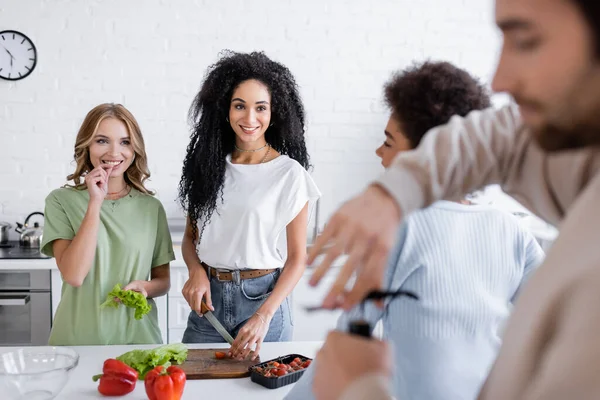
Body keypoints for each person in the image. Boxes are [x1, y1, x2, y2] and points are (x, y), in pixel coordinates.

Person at [308, 0, 600, 398]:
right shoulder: (558, 193)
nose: (499, 80)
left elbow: (348, 340)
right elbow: (499, 138)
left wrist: (360, 389)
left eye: (526, 41)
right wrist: (393, 192)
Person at [286, 61, 544, 400]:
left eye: (389, 142)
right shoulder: (513, 228)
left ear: (429, 156)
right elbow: (549, 325)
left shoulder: (398, 230)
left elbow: (347, 344)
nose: (379, 153)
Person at [178, 51, 320, 359]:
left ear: (275, 112)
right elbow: (191, 239)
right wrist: (195, 271)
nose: (250, 118)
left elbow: (298, 258)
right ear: (225, 109)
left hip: (264, 300)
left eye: (260, 108)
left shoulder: (289, 174)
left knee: (263, 391)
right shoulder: (207, 166)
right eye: (240, 105)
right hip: (208, 304)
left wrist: (264, 316)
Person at [40, 103, 174, 346]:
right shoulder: (60, 201)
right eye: (102, 140)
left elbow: (163, 280)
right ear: (87, 145)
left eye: (124, 142)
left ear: (135, 149)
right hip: (78, 340)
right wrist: (95, 202)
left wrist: (145, 288)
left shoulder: (151, 208)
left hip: (138, 339)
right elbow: (74, 275)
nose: (114, 152)